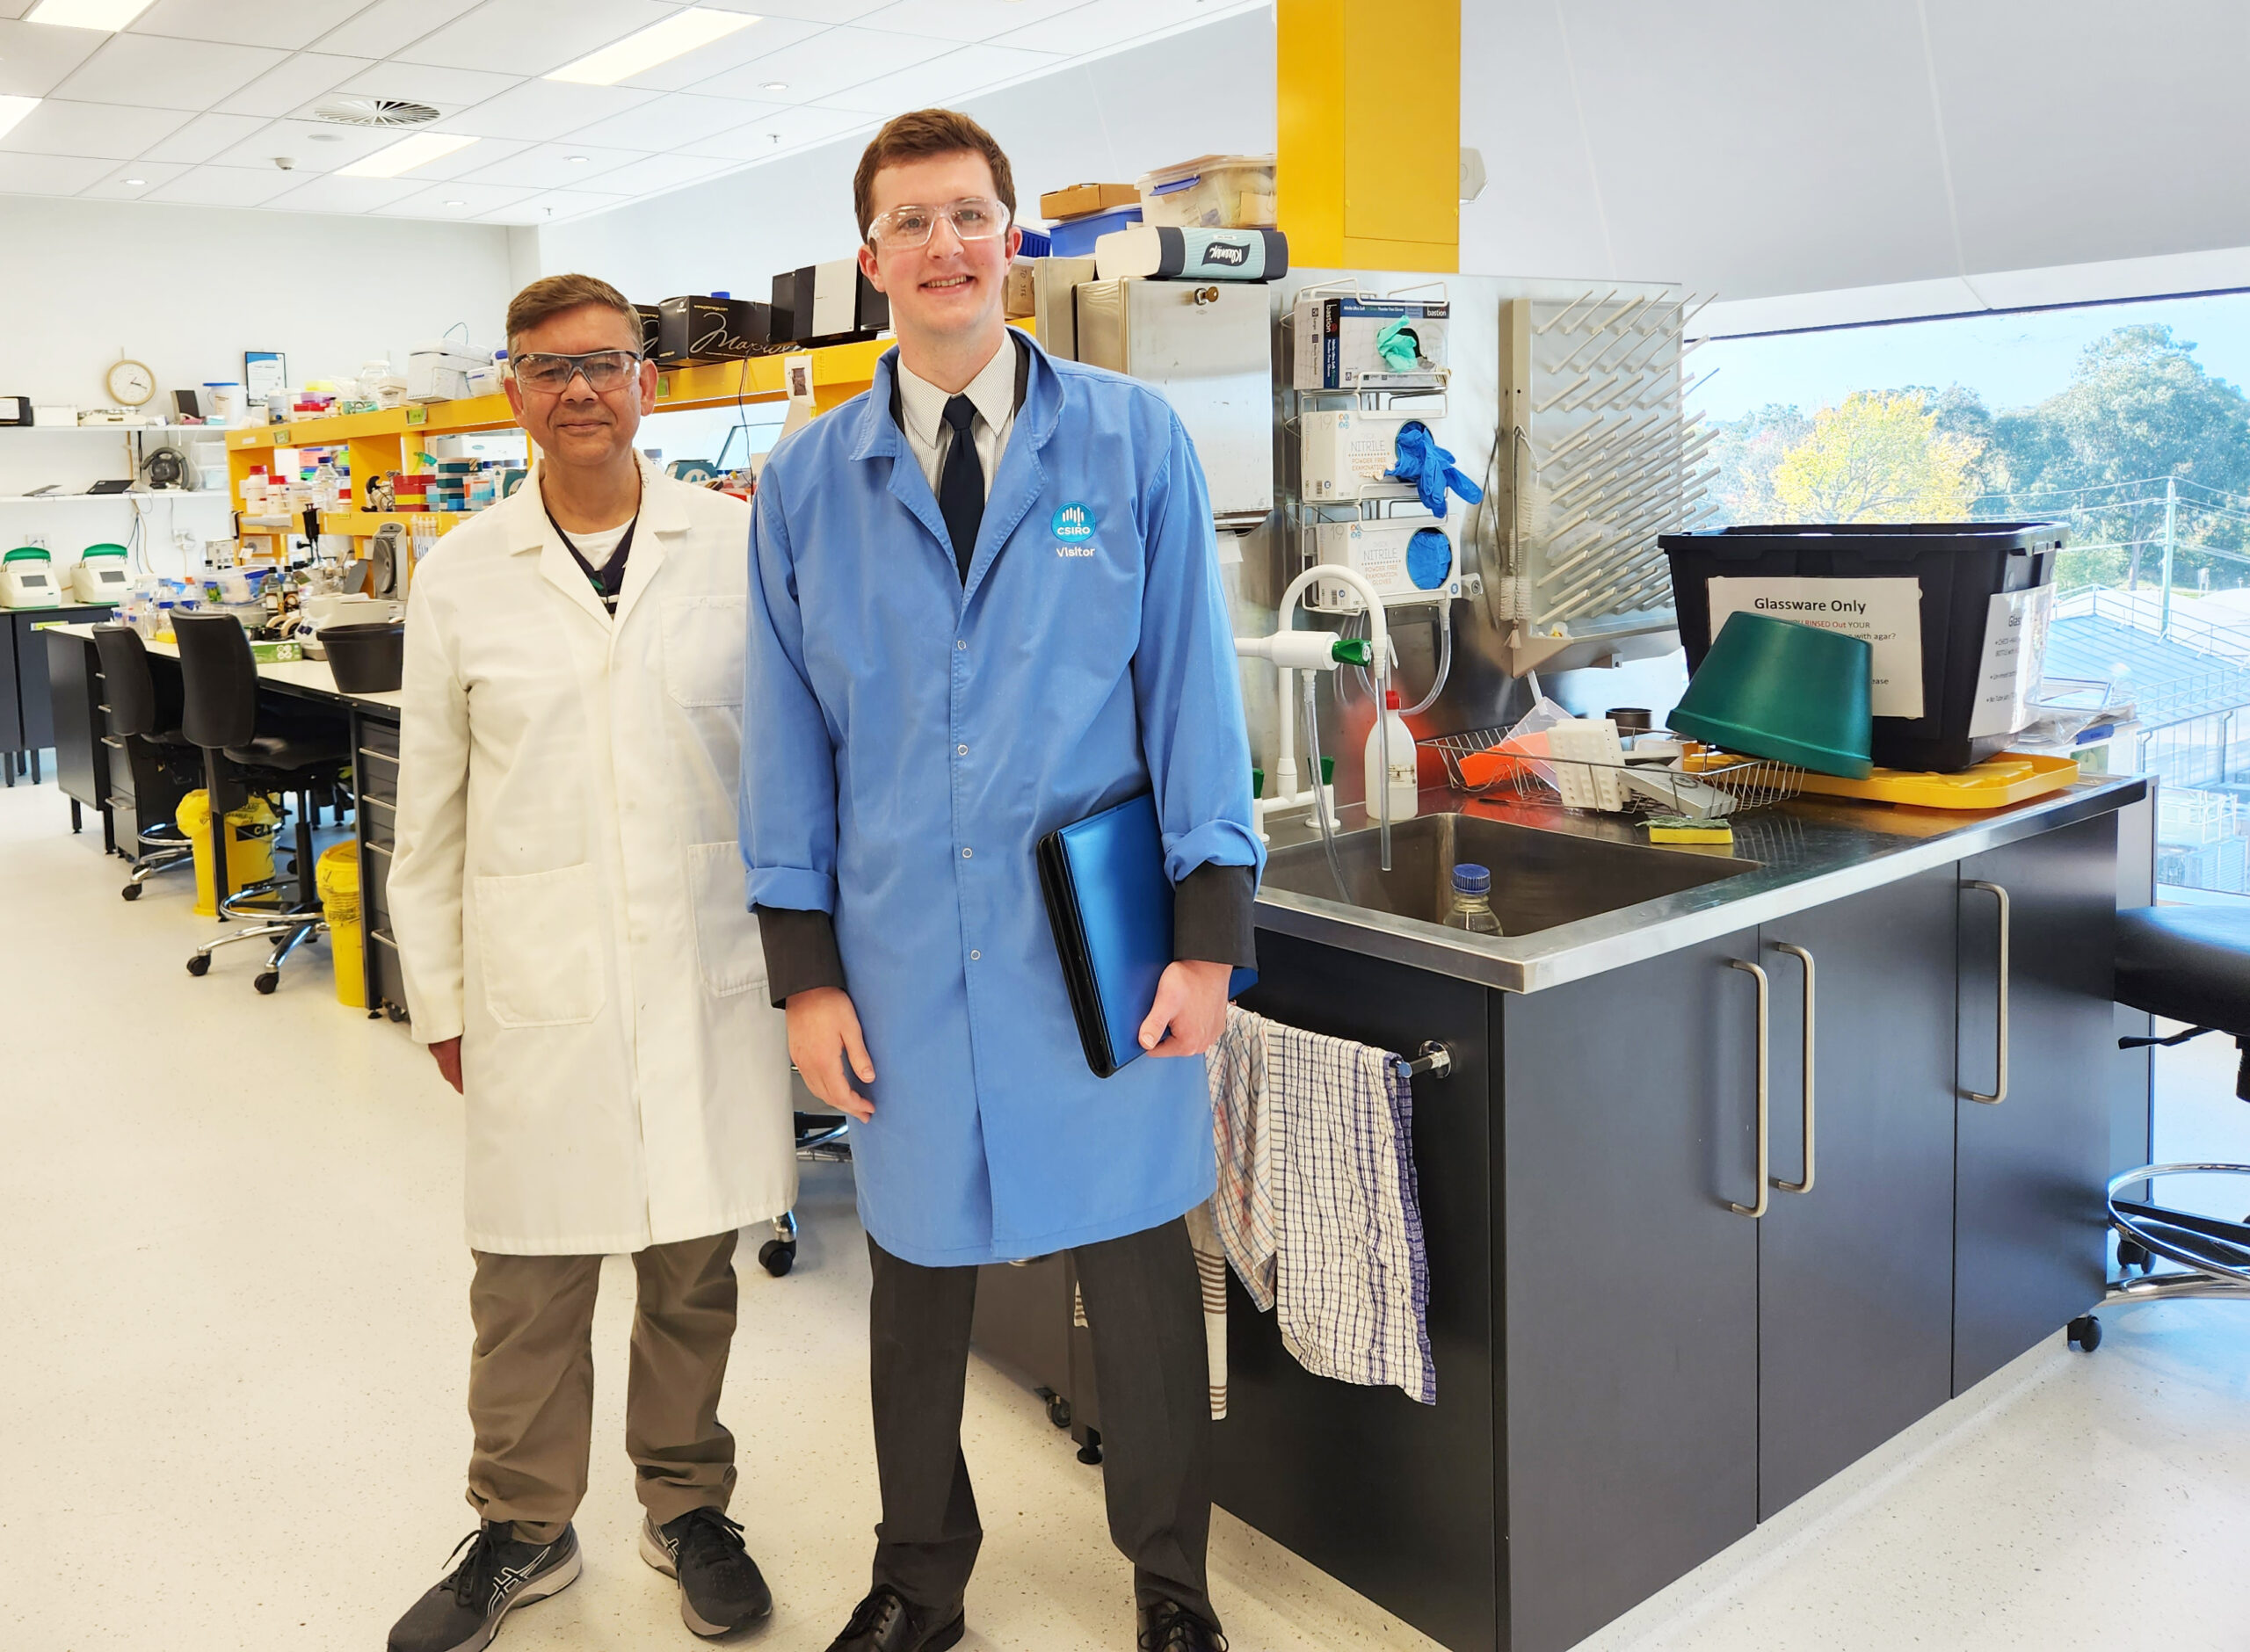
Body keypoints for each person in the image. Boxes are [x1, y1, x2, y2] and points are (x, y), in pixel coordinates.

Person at [741, 110, 1259, 1652]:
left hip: (1094, 947)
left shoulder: (1130, 439)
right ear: (870, 260)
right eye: (912, 223)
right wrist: (805, 969)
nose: (946, 247)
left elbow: (1193, 700)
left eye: (971, 216)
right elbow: (785, 745)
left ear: (1012, 237)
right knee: (916, 1275)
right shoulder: (806, 484)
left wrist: (1209, 935)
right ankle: (919, 1582)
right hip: (900, 947)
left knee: (1145, 1272)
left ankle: (1174, 1588)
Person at [386, 273, 795, 1652]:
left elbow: (792, 778)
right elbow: (426, 817)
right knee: (528, 1284)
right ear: (511, 389)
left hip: (702, 973)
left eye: (605, 364)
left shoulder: (738, 550)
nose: (579, 389)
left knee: (693, 1268)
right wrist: (438, 1000)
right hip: (536, 988)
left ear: (649, 385)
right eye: (548, 367)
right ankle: (523, 1524)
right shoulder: (458, 576)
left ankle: (686, 1506)